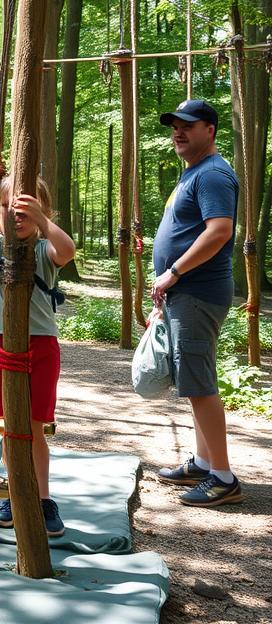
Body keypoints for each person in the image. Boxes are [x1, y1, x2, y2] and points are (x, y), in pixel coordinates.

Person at [0, 156, 75, 538]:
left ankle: (42, 499)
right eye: (7, 207)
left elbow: (68, 251)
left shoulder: (45, 249)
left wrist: (43, 221)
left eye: (26, 208)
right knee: (11, 430)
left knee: (34, 429)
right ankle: (15, 493)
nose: (16, 214)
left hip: (41, 348)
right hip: (1, 347)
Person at [150, 99, 243, 507]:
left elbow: (220, 231)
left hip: (198, 292)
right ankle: (204, 462)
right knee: (193, 382)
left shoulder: (214, 175)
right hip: (185, 293)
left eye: (188, 125)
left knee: (200, 384)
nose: (178, 131)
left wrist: (174, 272)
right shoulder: (194, 173)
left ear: (210, 130)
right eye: (174, 125)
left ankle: (223, 478)